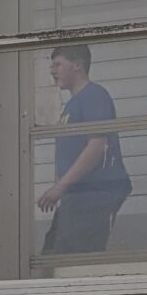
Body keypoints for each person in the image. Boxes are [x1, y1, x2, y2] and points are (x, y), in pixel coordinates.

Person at [36, 43, 133, 256]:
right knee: (52, 255)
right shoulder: (72, 105)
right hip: (76, 196)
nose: (53, 70)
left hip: (93, 195)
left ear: (78, 65)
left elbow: (97, 147)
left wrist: (61, 186)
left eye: (58, 64)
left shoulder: (93, 96)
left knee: (73, 259)